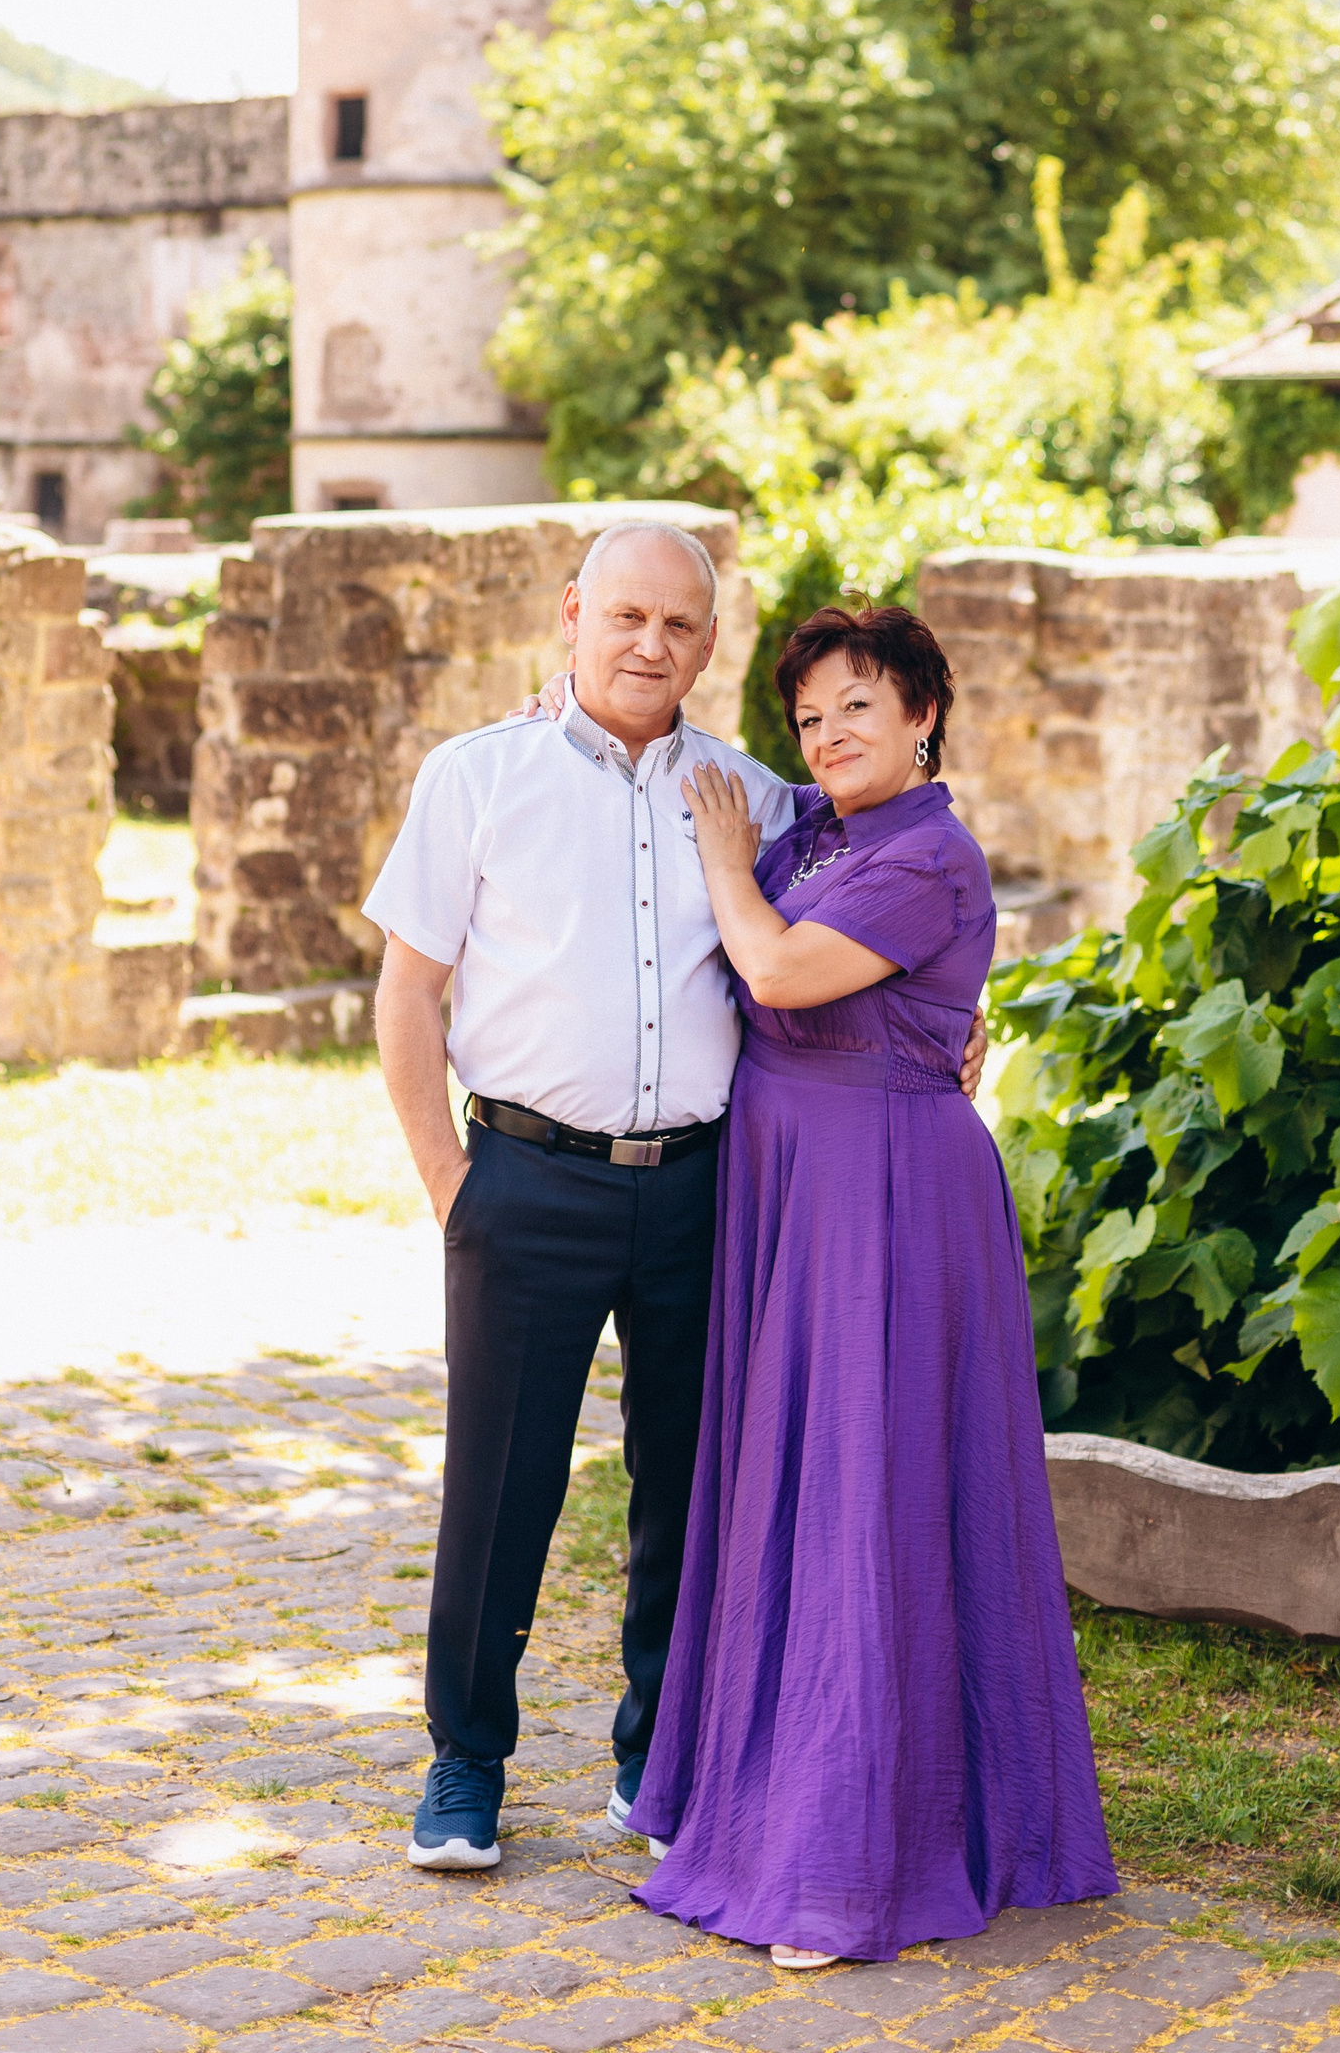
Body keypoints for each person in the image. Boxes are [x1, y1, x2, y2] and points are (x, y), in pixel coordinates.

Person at [364, 525, 985, 1870]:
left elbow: (882, 886)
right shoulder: (477, 777)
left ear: (710, 643)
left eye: (681, 625)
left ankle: (660, 1755)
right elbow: (408, 992)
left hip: (710, 1190)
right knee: (500, 1483)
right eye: (627, 616)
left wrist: (952, 1024)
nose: (652, 645)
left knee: (694, 1488)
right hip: (525, 1180)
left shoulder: (757, 797)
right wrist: (451, 1187)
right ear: (572, 613)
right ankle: (466, 1762)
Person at [631, 601, 1116, 1966]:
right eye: (810, 715)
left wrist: (724, 864)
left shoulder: (928, 855)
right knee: (784, 1486)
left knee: (867, 1498)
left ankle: (843, 1866)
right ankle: (750, 1800)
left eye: (859, 705)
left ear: (923, 715)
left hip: (889, 1196)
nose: (830, 733)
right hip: (792, 1185)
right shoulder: (820, 830)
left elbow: (781, 969)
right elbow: (707, 771)